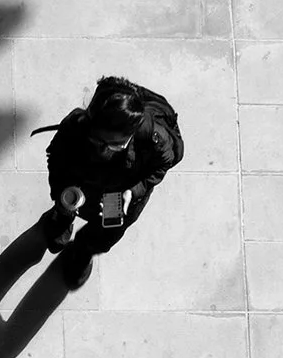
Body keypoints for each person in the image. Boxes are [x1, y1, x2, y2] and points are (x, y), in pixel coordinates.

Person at [35, 76, 182, 290]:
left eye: (115, 144)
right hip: (83, 180)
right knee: (66, 203)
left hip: (123, 190)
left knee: (109, 230)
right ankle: (63, 216)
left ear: (132, 134)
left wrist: (134, 191)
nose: (104, 150)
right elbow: (56, 157)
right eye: (98, 140)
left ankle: (83, 250)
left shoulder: (153, 138)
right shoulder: (76, 125)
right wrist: (63, 190)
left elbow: (165, 163)